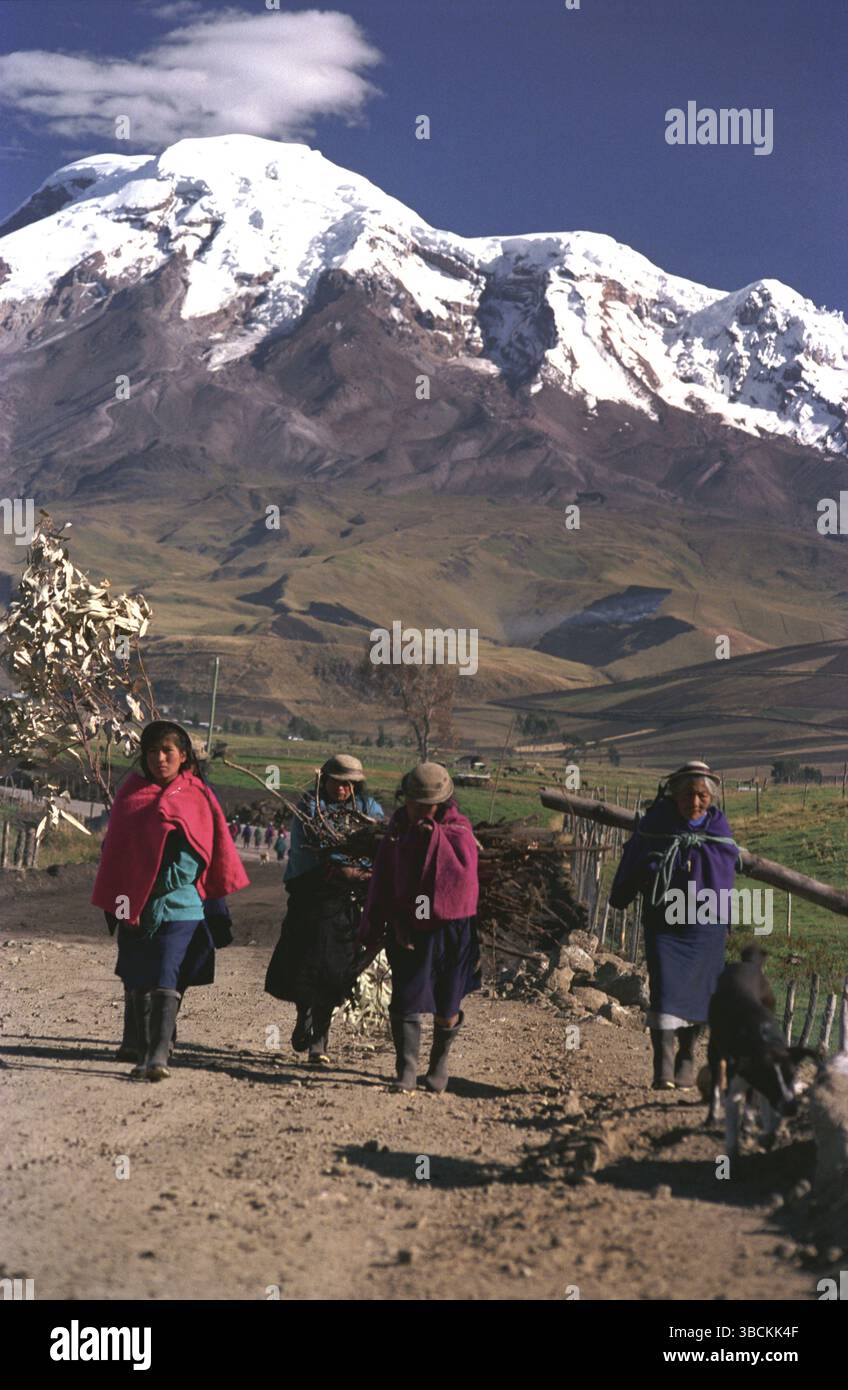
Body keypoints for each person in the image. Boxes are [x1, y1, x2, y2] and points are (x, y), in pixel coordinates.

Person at [92, 720, 249, 1082]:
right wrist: (125, 894)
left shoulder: (195, 796)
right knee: (136, 975)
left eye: (168, 752)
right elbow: (114, 851)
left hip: (180, 908)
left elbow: (195, 858)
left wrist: (150, 884)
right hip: (132, 906)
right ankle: (140, 1046)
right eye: (152, 752)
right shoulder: (131, 794)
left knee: (166, 976)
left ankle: (158, 1054)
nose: (159, 759)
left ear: (183, 756)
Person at [609, 760, 740, 1090]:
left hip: (705, 925)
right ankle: (663, 1060)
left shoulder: (718, 828)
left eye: (701, 796)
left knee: (701, 993)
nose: (694, 803)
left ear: (710, 797)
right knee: (665, 989)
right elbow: (635, 855)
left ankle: (687, 1054)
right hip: (665, 924)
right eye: (687, 794)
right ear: (674, 794)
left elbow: (725, 868)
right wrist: (649, 869)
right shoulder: (657, 822)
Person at [359, 762, 480, 1094]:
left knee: (448, 1000)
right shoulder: (398, 831)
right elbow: (385, 877)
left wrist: (435, 840)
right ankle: (406, 1070)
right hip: (410, 926)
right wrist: (392, 919)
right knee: (406, 995)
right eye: (414, 804)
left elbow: (464, 881)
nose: (419, 811)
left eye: (427, 807)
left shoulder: (458, 831)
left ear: (440, 804)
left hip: (452, 928)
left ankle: (438, 1065)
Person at [265, 754, 383, 1065]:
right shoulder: (308, 809)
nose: (342, 789)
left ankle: (320, 1040)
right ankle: (304, 1016)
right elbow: (305, 853)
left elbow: (380, 846)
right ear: (325, 780)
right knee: (305, 965)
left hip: (347, 904)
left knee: (335, 970)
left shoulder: (369, 810)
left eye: (349, 784)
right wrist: (335, 869)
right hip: (311, 898)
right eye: (337, 782)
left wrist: (364, 875)